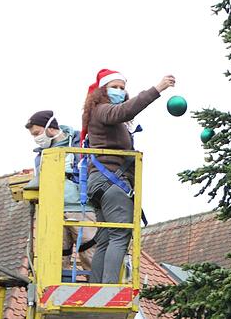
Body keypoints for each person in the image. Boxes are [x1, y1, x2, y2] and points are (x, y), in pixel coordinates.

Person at [82, 69, 175, 283]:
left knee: (105, 239)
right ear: (102, 91)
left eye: (122, 88)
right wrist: (157, 89)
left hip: (101, 183)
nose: (119, 91)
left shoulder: (100, 114)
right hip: (111, 183)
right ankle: (108, 288)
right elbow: (125, 111)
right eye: (114, 87)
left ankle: (98, 287)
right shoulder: (103, 110)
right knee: (120, 235)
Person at [24, 110, 97, 274]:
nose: (36, 138)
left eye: (37, 133)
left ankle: (97, 289)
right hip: (54, 210)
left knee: (90, 250)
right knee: (56, 256)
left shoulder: (81, 142)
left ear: (49, 127)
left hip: (81, 207)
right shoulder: (41, 155)